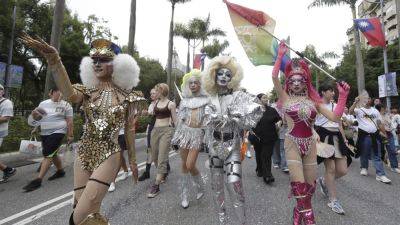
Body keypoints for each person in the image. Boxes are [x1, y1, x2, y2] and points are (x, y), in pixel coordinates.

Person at [21, 35, 146, 225]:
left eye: (103, 59)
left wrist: (134, 162)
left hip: (109, 154)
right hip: (84, 153)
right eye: (94, 59)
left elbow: (129, 129)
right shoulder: (87, 90)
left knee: (79, 215)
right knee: (86, 213)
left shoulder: (129, 96)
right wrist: (55, 61)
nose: (97, 63)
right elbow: (69, 93)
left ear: (118, 65)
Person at [272, 42, 350, 225]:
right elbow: (274, 77)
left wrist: (343, 96)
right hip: (291, 143)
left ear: (306, 81)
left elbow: (336, 117)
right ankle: (309, 218)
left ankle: (298, 212)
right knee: (298, 185)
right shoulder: (285, 98)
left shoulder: (315, 102)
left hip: (310, 145)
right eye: (292, 80)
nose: (296, 83)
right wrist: (280, 56)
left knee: (309, 187)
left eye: (300, 80)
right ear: (288, 84)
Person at [203, 56, 263, 225]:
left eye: (227, 74)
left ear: (233, 78)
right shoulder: (209, 97)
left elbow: (257, 110)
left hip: (232, 147)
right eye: (220, 73)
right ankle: (222, 219)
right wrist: (211, 117)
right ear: (214, 76)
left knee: (235, 184)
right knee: (216, 187)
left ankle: (241, 222)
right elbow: (203, 119)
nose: (223, 77)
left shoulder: (239, 96)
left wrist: (236, 117)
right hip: (215, 146)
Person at [171, 70, 209, 208]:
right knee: (183, 165)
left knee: (190, 164)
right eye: (190, 83)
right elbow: (180, 121)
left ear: (200, 84)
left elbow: (208, 120)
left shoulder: (206, 101)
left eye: (195, 83)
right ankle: (184, 194)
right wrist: (176, 138)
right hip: (184, 134)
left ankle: (200, 185)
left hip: (197, 134)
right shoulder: (185, 101)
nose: (193, 85)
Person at [23, 88, 73, 192]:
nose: (59, 94)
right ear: (51, 93)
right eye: (56, 92)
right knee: (52, 154)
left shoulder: (67, 105)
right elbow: (39, 117)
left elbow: (69, 122)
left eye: (61, 92)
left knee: (48, 153)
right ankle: (60, 171)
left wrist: (70, 135)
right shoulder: (43, 104)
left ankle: (38, 179)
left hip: (59, 132)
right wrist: (35, 128)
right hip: (44, 132)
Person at [314, 84, 352, 215]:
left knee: (342, 170)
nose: (333, 93)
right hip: (323, 136)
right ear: (323, 92)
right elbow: (309, 122)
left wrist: (344, 139)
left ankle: (323, 181)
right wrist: (313, 133)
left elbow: (339, 123)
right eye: (330, 91)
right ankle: (333, 200)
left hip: (337, 137)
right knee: (330, 169)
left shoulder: (336, 106)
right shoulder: (316, 105)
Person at [349, 95, 391, 184]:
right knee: (364, 153)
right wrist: (355, 102)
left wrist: (384, 133)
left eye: (368, 98)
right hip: (364, 136)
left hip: (375, 136)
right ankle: (364, 167)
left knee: (377, 155)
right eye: (365, 98)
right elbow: (350, 112)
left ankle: (380, 175)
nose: (367, 100)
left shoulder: (375, 111)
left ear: (370, 100)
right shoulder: (359, 110)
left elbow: (379, 123)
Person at [147, 83, 177, 198]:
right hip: (155, 130)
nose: (155, 93)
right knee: (154, 156)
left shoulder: (171, 104)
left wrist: (178, 135)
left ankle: (156, 185)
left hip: (166, 131)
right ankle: (163, 172)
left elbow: (175, 120)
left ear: (162, 91)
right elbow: (152, 114)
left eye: (157, 91)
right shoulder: (156, 103)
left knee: (162, 157)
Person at [249, 93, 281, 184]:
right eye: (264, 97)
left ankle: (267, 175)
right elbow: (248, 122)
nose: (266, 99)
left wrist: (279, 123)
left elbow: (279, 119)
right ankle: (259, 169)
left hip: (270, 136)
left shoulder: (272, 110)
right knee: (259, 154)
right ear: (259, 100)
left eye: (267, 97)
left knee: (266, 155)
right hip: (257, 137)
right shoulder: (253, 110)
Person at [138, 88, 158, 181]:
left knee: (158, 152)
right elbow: (149, 118)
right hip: (150, 129)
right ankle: (147, 172)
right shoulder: (150, 105)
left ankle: (164, 169)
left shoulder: (162, 104)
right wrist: (145, 114)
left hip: (159, 131)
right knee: (150, 150)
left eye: (153, 93)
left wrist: (149, 114)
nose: (152, 95)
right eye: (151, 94)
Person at [376, 104, 400, 173]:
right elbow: (377, 127)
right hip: (381, 135)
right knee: (380, 152)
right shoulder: (377, 116)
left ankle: (394, 167)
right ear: (382, 108)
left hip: (389, 135)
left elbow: (391, 124)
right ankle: (379, 168)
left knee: (392, 150)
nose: (387, 108)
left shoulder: (387, 115)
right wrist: (383, 134)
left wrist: (393, 130)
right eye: (386, 107)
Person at [0, 84, 15, 183]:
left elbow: (6, 118)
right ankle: (8, 170)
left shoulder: (6, 102)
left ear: (2, 91)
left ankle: (8, 170)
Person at [108, 127, 131, 192]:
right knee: (120, 157)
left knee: (118, 158)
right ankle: (126, 171)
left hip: (121, 135)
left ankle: (112, 181)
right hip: (111, 136)